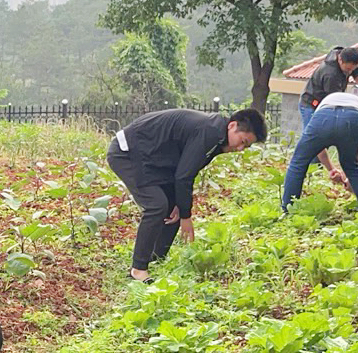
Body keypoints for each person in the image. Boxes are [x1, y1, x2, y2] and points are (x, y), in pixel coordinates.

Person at [106, 106, 266, 281]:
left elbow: (185, 171)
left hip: (154, 160)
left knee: (174, 206)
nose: (241, 149)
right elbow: (184, 176)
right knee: (157, 205)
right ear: (232, 126)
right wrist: (186, 216)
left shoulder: (217, 138)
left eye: (247, 146)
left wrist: (180, 206)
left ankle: (156, 259)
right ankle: (138, 269)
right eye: (242, 141)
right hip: (127, 151)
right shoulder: (210, 131)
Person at [282, 83, 358, 214]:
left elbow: (318, 148)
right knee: (351, 166)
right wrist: (351, 177)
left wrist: (330, 169)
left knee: (298, 163)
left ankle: (287, 210)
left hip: (324, 115)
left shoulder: (328, 100)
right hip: (352, 118)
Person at [297, 46, 358, 185]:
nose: (349, 72)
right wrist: (333, 169)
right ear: (340, 60)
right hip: (312, 105)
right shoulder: (330, 74)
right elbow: (335, 101)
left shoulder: (345, 54)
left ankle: (318, 170)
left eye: (352, 69)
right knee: (314, 141)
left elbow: (357, 72)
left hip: (327, 102)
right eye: (347, 70)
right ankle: (311, 175)